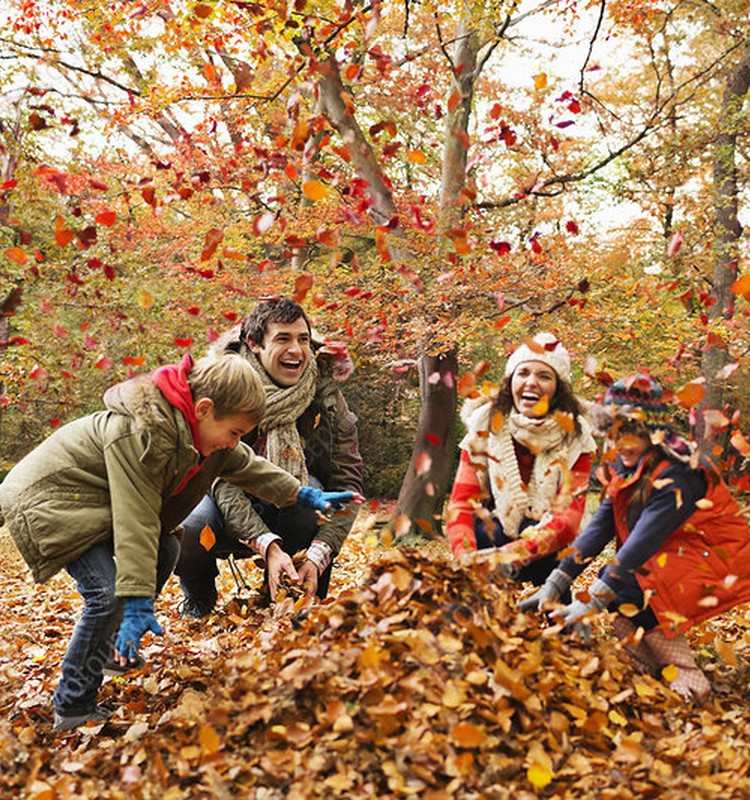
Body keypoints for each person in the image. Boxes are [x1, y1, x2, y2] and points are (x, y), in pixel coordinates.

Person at [0, 352, 352, 732]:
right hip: (52, 500)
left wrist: (303, 495)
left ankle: (112, 649)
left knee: (167, 548)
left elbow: (252, 468)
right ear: (203, 410)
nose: (235, 442)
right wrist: (135, 603)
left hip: (91, 503)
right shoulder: (141, 435)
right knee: (108, 593)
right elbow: (136, 520)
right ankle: (74, 705)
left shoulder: (207, 441)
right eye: (234, 432)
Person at [520, 373, 750, 701]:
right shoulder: (629, 467)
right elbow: (599, 528)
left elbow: (643, 541)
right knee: (617, 586)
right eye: (613, 434)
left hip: (715, 557)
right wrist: (556, 582)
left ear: (653, 434)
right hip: (680, 554)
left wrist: (593, 601)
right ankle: (655, 672)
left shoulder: (677, 471)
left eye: (630, 432)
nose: (620, 443)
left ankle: (690, 682)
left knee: (626, 585)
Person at [174, 297, 364, 617]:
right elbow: (221, 479)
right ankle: (199, 595)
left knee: (313, 505)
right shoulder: (222, 388)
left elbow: (349, 483)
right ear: (254, 344)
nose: (297, 350)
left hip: (294, 503)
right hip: (224, 499)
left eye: (303, 339)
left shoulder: (326, 396)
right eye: (283, 339)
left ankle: (299, 590)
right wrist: (268, 545)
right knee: (189, 525)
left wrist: (318, 555)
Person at [446, 332, 597, 592]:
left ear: (558, 389)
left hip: (553, 543)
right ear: (510, 381)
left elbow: (569, 518)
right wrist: (465, 555)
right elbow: (462, 502)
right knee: (484, 534)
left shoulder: (577, 437)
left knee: (562, 546)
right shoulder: (484, 425)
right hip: (493, 534)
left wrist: (512, 555)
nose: (531, 383)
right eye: (523, 373)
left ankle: (556, 614)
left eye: (544, 376)